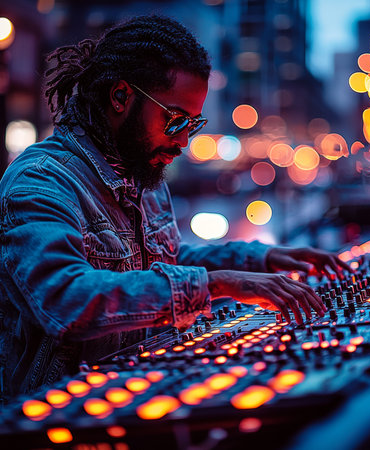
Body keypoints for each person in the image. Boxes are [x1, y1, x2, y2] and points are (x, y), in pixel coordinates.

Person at [0, 15, 350, 401]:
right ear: (120, 97)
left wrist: (260, 260)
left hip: (135, 397)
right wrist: (219, 284)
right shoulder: (41, 181)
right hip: (57, 416)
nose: (183, 140)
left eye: (192, 123)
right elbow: (66, 298)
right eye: (174, 120)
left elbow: (156, 264)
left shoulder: (141, 168)